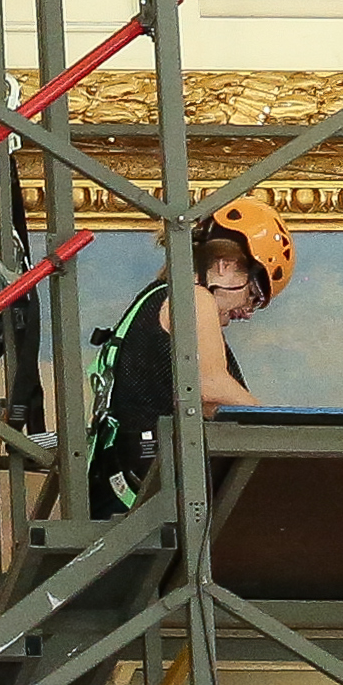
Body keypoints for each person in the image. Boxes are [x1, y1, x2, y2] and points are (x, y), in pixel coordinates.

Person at [93, 193, 289, 517]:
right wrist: (283, 430)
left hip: (118, 480)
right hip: (143, 490)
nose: (249, 311)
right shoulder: (194, 297)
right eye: (253, 293)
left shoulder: (155, 300)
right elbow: (211, 389)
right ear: (224, 266)